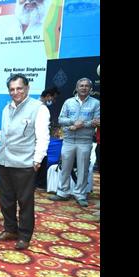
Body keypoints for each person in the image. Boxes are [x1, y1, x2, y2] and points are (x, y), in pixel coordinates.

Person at [0, 73, 50, 250]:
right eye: (12, 89)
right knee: (6, 200)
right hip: (4, 161)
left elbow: (43, 137)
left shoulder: (38, 108)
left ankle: (24, 235)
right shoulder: (7, 108)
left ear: (27, 88)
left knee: (25, 201)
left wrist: (38, 160)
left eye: (19, 88)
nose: (15, 92)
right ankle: (10, 229)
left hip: (25, 164)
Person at [48, 78, 100, 207]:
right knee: (65, 167)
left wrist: (80, 125)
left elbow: (97, 121)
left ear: (90, 89)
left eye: (86, 86)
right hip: (68, 140)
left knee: (83, 169)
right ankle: (62, 192)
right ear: (76, 88)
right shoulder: (68, 102)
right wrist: (73, 123)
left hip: (85, 141)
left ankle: (80, 194)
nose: (83, 88)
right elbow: (60, 120)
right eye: (81, 86)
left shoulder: (96, 103)